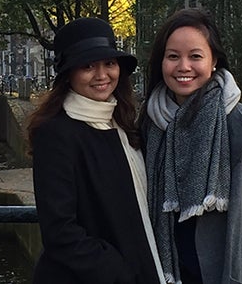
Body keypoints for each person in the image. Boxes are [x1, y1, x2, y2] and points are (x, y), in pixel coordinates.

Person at [139, 8, 242, 284]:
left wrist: (239, 236)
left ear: (214, 61)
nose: (183, 66)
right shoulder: (148, 124)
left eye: (195, 56)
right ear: (161, 62)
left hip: (227, 272)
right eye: (173, 56)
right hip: (164, 270)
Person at [27, 17, 164, 284]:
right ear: (69, 74)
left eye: (109, 64)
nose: (102, 75)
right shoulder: (56, 133)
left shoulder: (124, 122)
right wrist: (119, 272)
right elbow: (60, 231)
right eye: (88, 66)